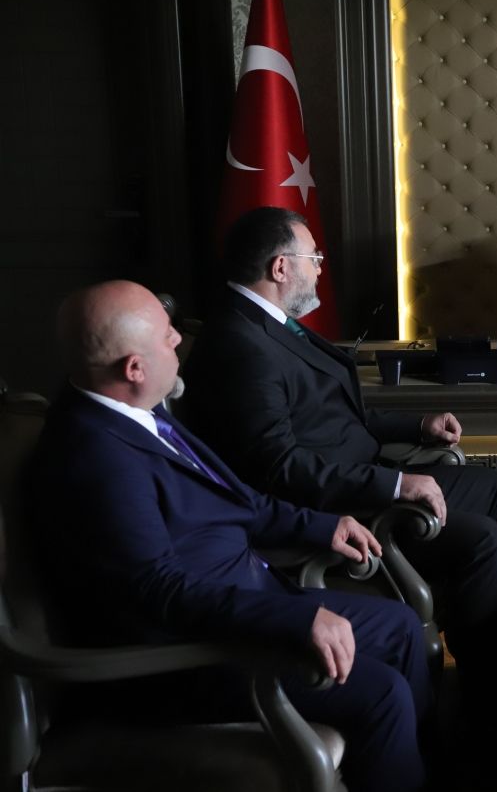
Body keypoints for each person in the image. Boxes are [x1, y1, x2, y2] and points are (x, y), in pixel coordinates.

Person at [31, 281, 429, 792]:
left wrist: (324, 525)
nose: (179, 339)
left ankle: (420, 767)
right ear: (134, 369)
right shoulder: (95, 456)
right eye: (167, 335)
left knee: (400, 627)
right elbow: (157, 590)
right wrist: (295, 617)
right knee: (381, 693)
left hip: (242, 600)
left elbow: (240, 501)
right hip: (185, 658)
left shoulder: (137, 411)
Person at [181, 206, 497, 712]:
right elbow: (278, 469)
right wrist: (395, 487)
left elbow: (338, 416)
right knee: (480, 540)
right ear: (281, 267)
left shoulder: (271, 323)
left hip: (362, 473)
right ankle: (496, 693)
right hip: (336, 507)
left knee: (490, 487)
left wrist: (418, 426)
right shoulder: (241, 344)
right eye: (314, 258)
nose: (320, 269)